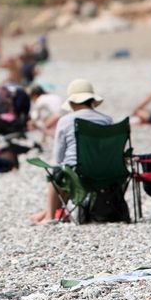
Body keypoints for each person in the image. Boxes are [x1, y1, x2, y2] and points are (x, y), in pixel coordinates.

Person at [30, 79, 112, 224]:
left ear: (73, 102)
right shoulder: (106, 120)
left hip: (77, 174)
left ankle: (49, 216)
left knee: (59, 173)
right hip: (105, 173)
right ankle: (45, 213)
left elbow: (58, 156)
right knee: (68, 171)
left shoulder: (66, 120)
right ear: (92, 100)